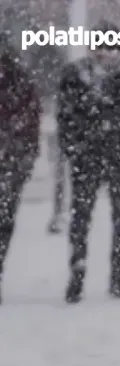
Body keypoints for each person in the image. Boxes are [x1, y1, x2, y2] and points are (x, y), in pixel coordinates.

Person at [56, 21, 120, 304]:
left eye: (110, 47)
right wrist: (73, 147)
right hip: (91, 157)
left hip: (117, 157)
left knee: (119, 219)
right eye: (100, 47)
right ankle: (77, 277)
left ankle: (117, 278)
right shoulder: (76, 75)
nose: (105, 53)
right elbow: (65, 116)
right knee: (82, 219)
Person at [0, 33, 41, 304]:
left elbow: (30, 120)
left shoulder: (19, 80)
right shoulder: (20, 80)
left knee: (4, 221)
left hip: (11, 158)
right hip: (13, 157)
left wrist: (25, 154)